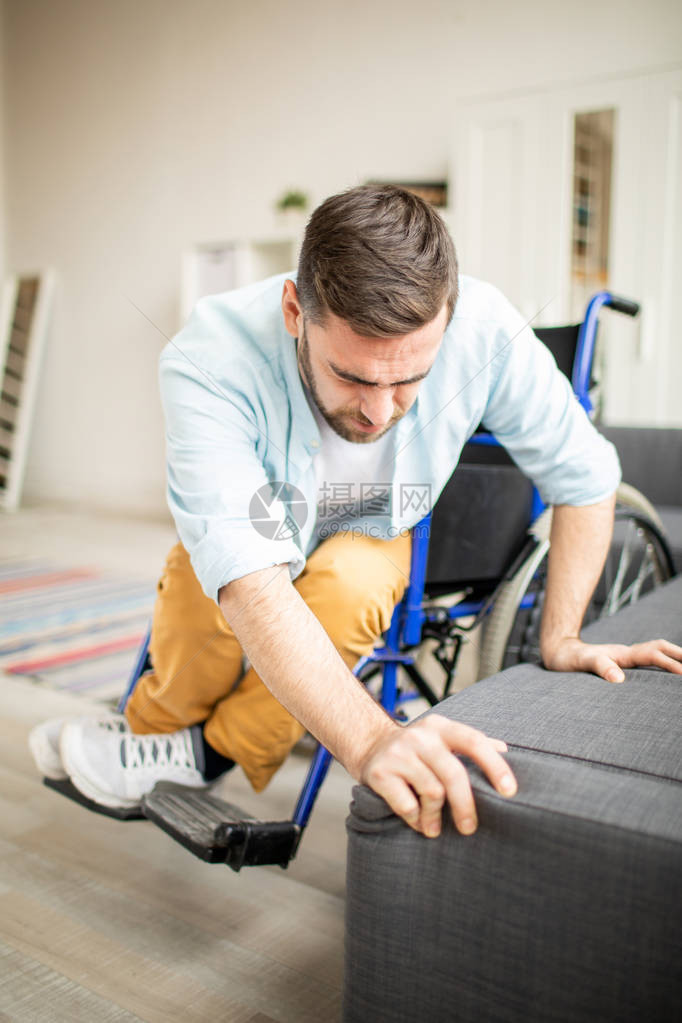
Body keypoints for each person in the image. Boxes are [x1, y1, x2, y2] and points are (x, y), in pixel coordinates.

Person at [29, 185, 682, 840]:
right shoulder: (209, 356)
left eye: (409, 380)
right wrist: (370, 739)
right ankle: (153, 730)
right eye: (354, 376)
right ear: (294, 310)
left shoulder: (484, 326)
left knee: (351, 585)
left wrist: (562, 635)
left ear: (448, 319)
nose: (378, 412)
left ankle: (199, 753)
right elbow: (249, 581)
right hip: (272, 505)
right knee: (204, 581)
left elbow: (588, 474)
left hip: (380, 515)